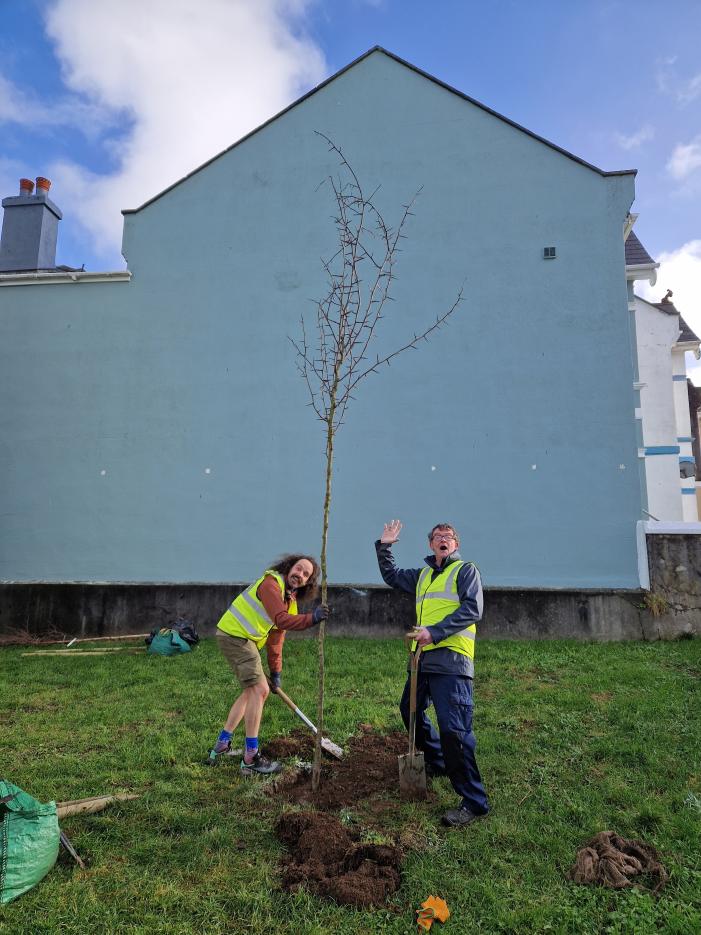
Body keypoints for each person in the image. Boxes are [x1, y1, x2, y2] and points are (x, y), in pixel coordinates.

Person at [375, 519, 490, 827]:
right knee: (409, 709)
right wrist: (385, 546)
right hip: (422, 660)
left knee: (454, 730)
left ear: (455, 545)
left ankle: (474, 801)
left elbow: (472, 610)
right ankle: (438, 762)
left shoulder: (465, 571)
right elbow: (392, 576)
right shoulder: (423, 575)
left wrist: (435, 633)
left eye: (449, 537)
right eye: (438, 536)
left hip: (452, 661)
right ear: (430, 544)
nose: (443, 539)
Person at [207, 554, 329, 774]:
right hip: (235, 635)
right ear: (289, 566)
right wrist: (312, 618)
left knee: (251, 692)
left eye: (305, 574)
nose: (299, 575)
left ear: (308, 582)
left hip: (244, 639)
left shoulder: (289, 599)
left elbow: (276, 638)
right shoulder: (271, 584)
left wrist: (276, 672)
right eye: (298, 569)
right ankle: (251, 758)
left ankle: (222, 745)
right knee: (259, 690)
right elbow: (281, 620)